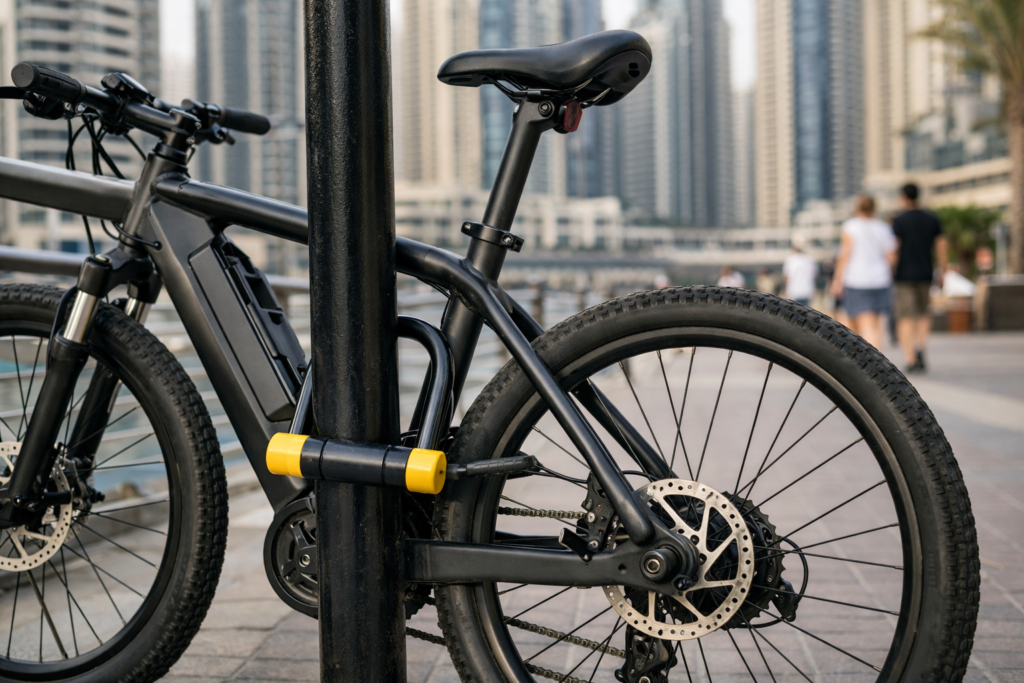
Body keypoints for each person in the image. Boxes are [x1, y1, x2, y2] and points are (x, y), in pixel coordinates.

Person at [892, 183, 946, 373]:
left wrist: (890, 270)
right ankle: (920, 347)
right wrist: (943, 270)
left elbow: (895, 249)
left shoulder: (898, 221)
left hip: (903, 275)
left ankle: (910, 357)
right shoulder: (932, 219)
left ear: (903, 197)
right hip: (925, 272)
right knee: (923, 314)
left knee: (905, 317)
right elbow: (940, 245)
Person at [831, 195, 897, 349]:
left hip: (857, 280)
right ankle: (877, 361)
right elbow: (892, 257)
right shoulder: (884, 228)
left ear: (857, 208)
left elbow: (845, 255)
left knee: (863, 326)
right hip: (881, 280)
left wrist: (837, 280)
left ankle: (870, 367)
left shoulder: (850, 226)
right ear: (874, 209)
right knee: (876, 325)